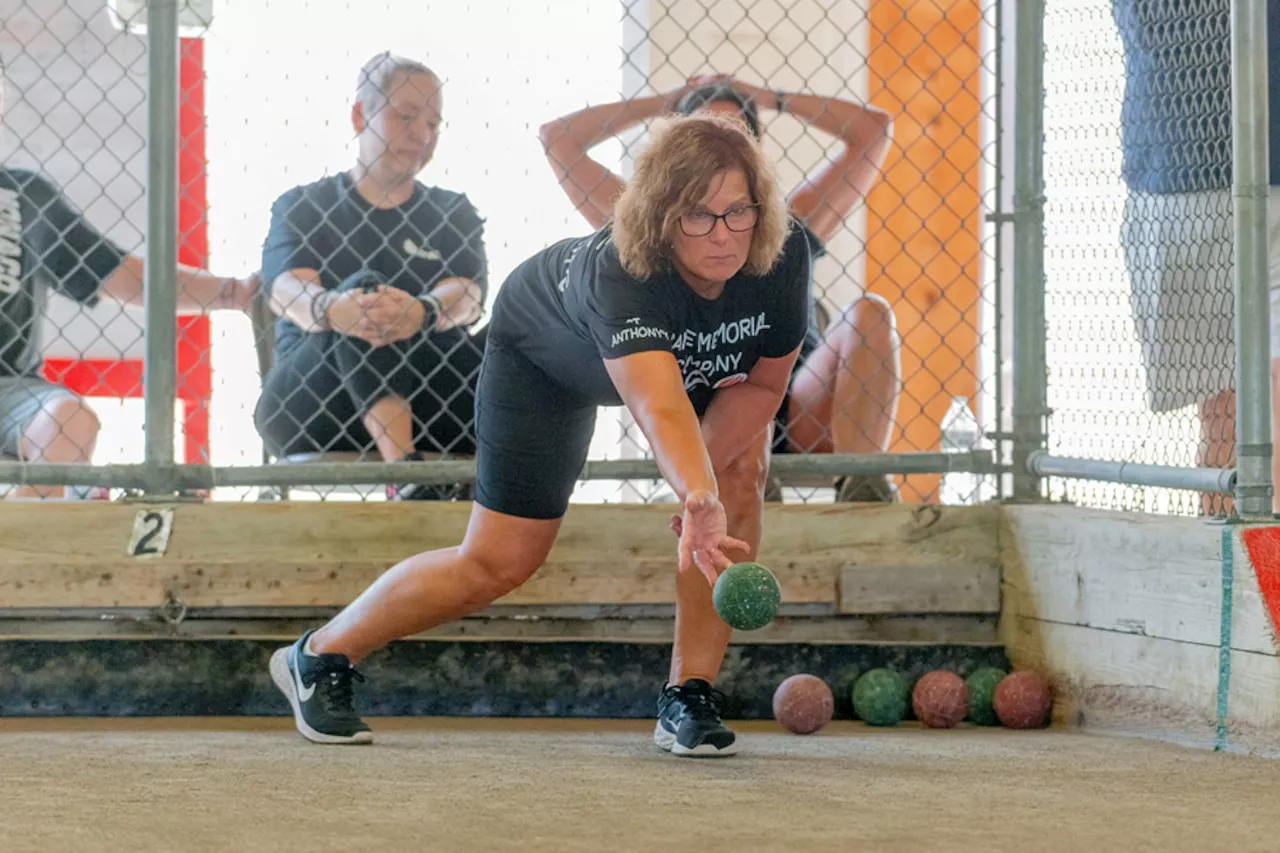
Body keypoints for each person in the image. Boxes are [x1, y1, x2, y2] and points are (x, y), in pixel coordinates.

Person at [270, 112, 810, 755]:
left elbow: (761, 387)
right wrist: (698, 493)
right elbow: (658, 406)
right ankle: (319, 655)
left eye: (738, 211)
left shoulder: (779, 253)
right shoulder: (622, 271)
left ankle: (689, 696)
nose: (723, 236)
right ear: (663, 218)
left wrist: (709, 499)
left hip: (690, 368)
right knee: (499, 561)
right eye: (698, 215)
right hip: (544, 360)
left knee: (741, 476)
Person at [539, 77, 900, 502]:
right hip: (700, 418)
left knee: (869, 312)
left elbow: (874, 131)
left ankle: (863, 487)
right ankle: (714, 481)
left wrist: (772, 98)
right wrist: (663, 104)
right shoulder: (645, 221)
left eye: (734, 135)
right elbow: (557, 139)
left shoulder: (784, 223)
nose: (719, 147)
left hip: (793, 397)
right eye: (702, 134)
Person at [254, 53, 487, 499]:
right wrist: (334, 309)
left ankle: (522, 495)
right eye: (406, 117)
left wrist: (423, 311)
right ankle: (408, 478)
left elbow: (470, 294)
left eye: (434, 125)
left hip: (434, 400)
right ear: (360, 115)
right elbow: (285, 290)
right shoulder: (304, 205)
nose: (422, 136)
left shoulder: (451, 211)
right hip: (319, 405)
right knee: (365, 292)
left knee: (532, 312)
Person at [1112, 0, 1280, 513]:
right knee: (1226, 416)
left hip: (1182, 170)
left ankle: (1248, 582)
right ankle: (1232, 582)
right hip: (1181, 174)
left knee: (1245, 412)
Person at [0, 172, 257, 499]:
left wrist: (233, 294)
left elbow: (113, 271)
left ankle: (20, 536)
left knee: (70, 421)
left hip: (10, 388)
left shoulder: (21, 193)